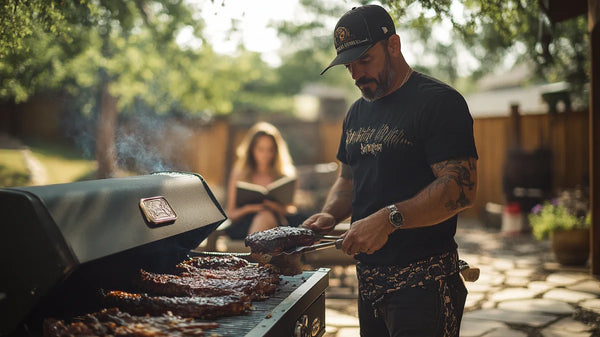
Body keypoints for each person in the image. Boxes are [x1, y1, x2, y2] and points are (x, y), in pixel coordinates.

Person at [302, 5, 478, 337]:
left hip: (424, 287)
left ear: (393, 45)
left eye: (364, 60)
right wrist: (329, 215)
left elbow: (461, 189)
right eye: (349, 66)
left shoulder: (440, 103)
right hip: (368, 283)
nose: (356, 74)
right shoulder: (355, 113)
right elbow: (348, 178)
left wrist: (389, 218)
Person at [225, 122, 301, 240]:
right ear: (251, 150)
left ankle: (257, 255)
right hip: (245, 224)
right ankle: (261, 253)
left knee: (267, 217)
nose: (266, 155)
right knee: (264, 217)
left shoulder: (284, 175)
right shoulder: (239, 174)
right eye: (261, 149)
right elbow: (231, 213)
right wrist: (250, 208)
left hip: (278, 223)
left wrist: (274, 207)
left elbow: (291, 210)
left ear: (276, 151)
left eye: (270, 149)